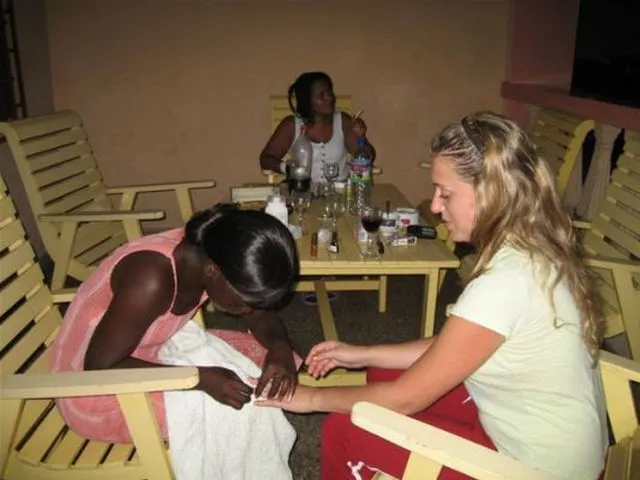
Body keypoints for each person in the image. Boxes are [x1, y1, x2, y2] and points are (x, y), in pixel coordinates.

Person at [257, 111, 608, 480]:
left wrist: (310, 398)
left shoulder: (504, 283)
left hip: (539, 471)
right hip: (552, 439)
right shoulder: (531, 249)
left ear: (493, 193)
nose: (436, 206)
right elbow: (457, 343)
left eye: (446, 193)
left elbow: (406, 398)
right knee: (383, 372)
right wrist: (363, 353)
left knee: (346, 430)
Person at [51, 203, 300, 444]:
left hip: (146, 350)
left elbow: (259, 317)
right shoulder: (151, 279)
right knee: (233, 409)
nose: (251, 311)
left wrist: (280, 348)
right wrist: (199, 378)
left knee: (266, 365)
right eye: (247, 302)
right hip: (93, 389)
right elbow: (99, 367)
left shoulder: (210, 249)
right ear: (213, 270)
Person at [259, 71, 376, 184]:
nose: (329, 98)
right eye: (321, 95)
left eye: (330, 92)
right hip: (303, 192)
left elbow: (367, 157)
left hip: (339, 192)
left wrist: (361, 137)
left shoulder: (343, 121)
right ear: (307, 100)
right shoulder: (291, 125)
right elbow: (266, 159)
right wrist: (288, 168)